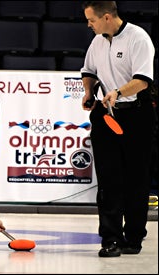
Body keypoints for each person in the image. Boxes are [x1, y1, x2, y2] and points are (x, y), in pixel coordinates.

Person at [80, 1, 156, 257]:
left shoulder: (138, 38)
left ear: (108, 17)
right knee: (109, 180)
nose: (88, 24)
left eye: (92, 20)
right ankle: (110, 238)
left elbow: (143, 81)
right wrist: (89, 92)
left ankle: (134, 237)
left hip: (136, 115)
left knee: (136, 179)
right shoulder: (98, 41)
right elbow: (88, 70)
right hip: (106, 115)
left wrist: (118, 92)